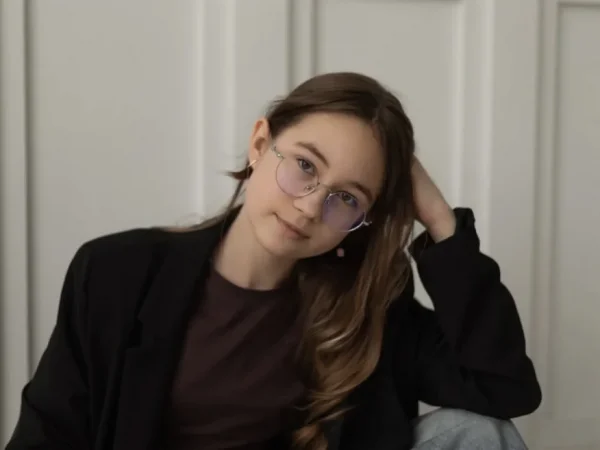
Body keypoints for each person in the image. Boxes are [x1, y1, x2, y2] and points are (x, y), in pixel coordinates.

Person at [6, 72, 541, 450]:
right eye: (305, 165)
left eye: (346, 198)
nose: (309, 207)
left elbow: (503, 387)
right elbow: (46, 435)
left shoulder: (365, 304)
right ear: (260, 144)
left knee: (477, 434)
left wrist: (440, 221)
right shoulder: (117, 273)